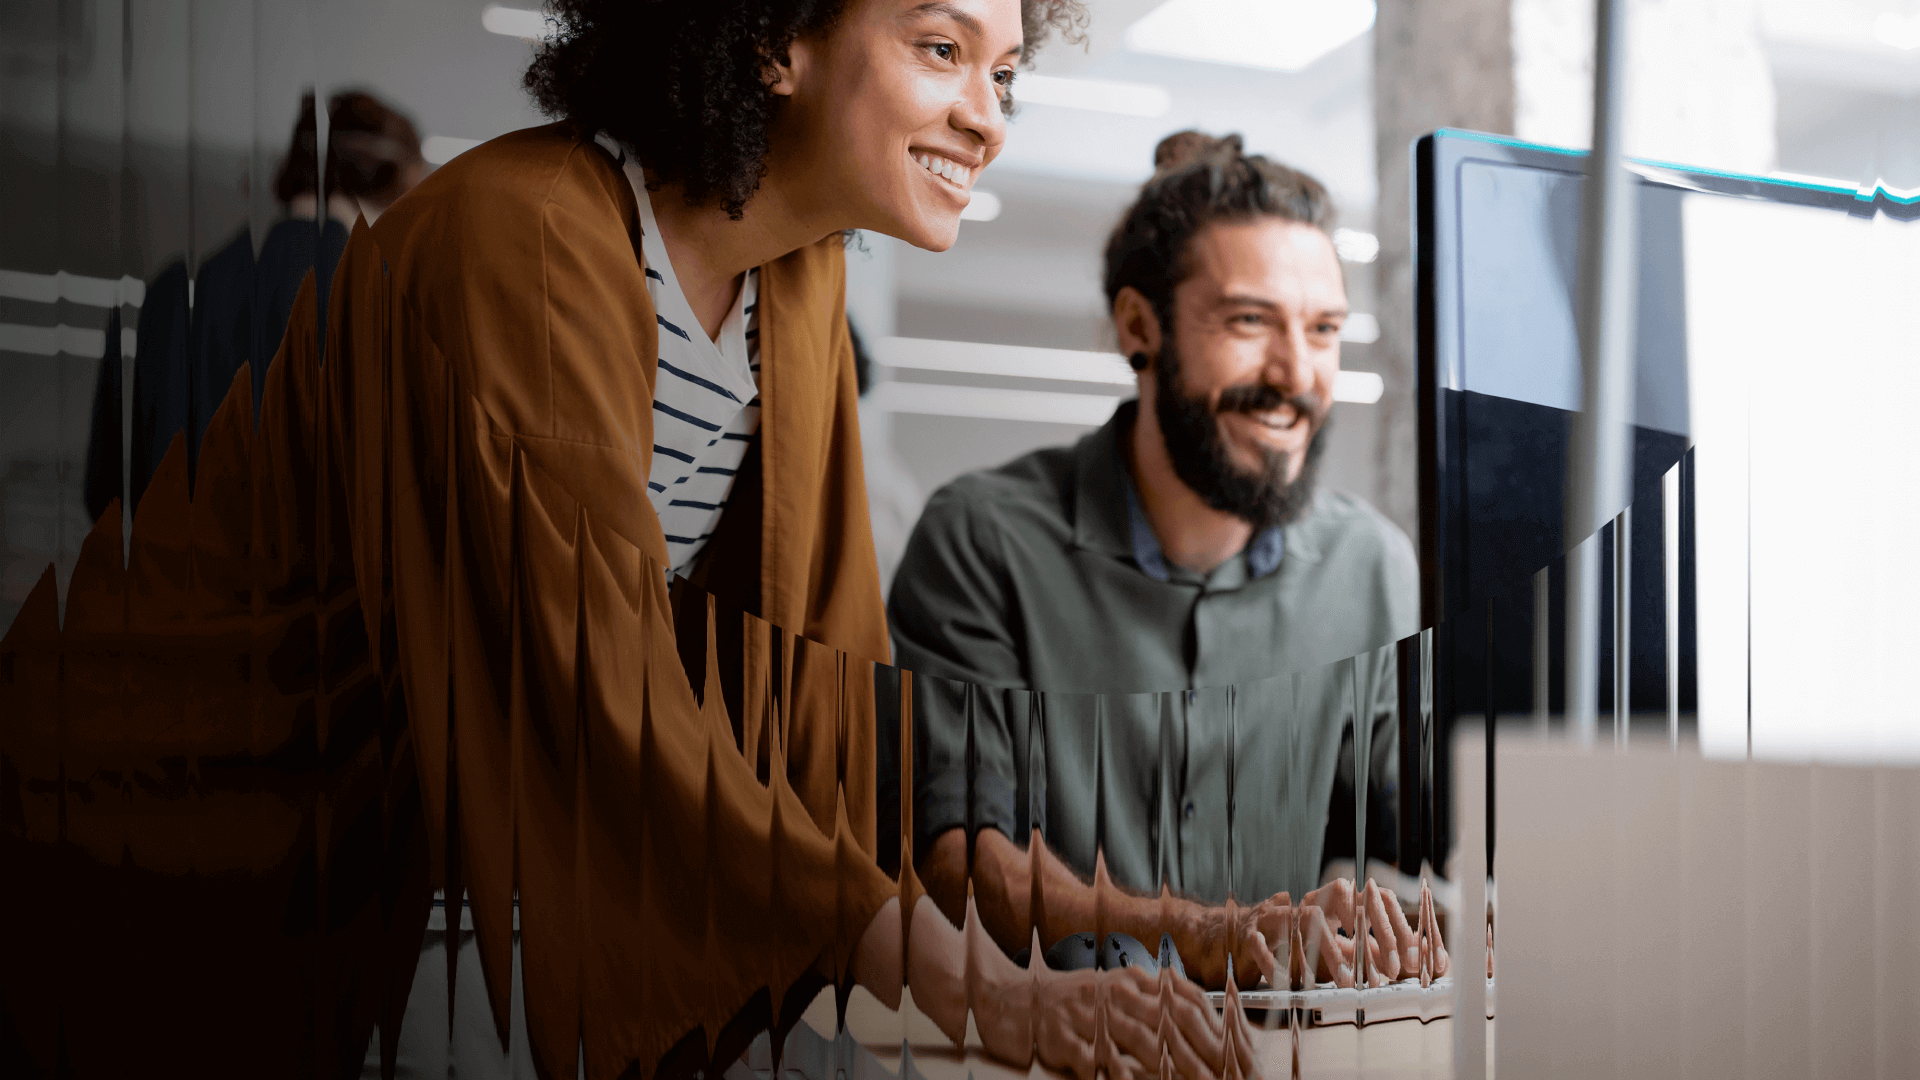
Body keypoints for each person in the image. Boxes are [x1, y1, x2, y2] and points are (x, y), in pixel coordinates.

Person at [888, 131, 1446, 992]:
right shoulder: (983, 544)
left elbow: (1401, 840)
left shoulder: (1372, 568)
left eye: (1325, 329)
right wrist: (1207, 933)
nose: (1296, 373)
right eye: (1250, 321)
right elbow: (963, 866)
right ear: (1140, 327)